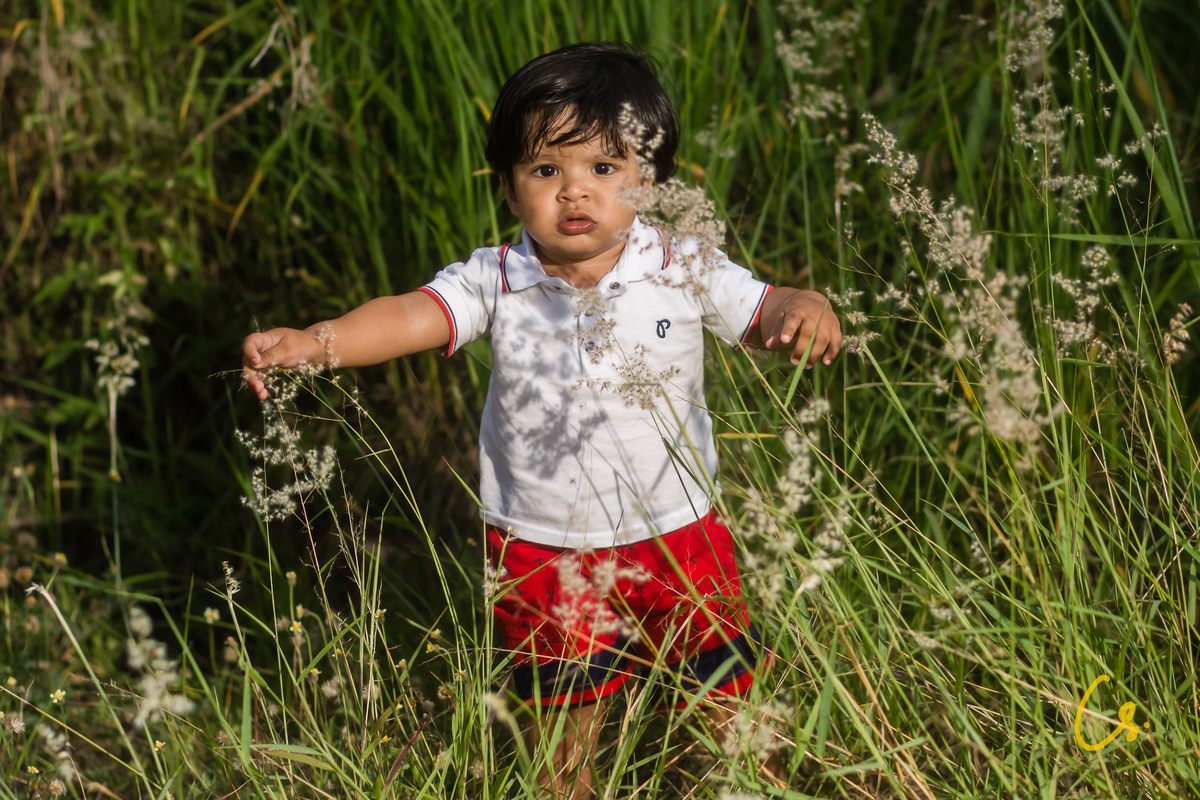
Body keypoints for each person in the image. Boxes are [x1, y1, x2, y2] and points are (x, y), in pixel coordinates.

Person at [242, 41, 841, 799]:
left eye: (603, 168)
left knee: (726, 696)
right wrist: (317, 343)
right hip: (543, 546)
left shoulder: (680, 264)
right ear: (509, 186)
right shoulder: (496, 278)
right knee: (561, 725)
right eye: (545, 170)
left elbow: (762, 310)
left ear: (649, 181)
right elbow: (405, 316)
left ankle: (751, 786)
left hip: (678, 531)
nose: (575, 193)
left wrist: (802, 309)